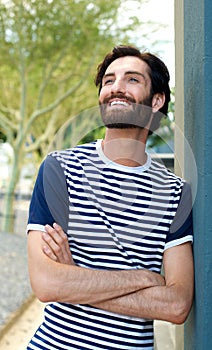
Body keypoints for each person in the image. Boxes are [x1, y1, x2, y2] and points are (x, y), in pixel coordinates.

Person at [27, 45, 194, 350]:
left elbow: (176, 305)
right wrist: (146, 279)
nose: (116, 87)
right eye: (108, 80)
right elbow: (47, 283)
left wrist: (77, 280)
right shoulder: (59, 169)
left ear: (156, 101)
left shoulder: (175, 194)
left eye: (132, 80)